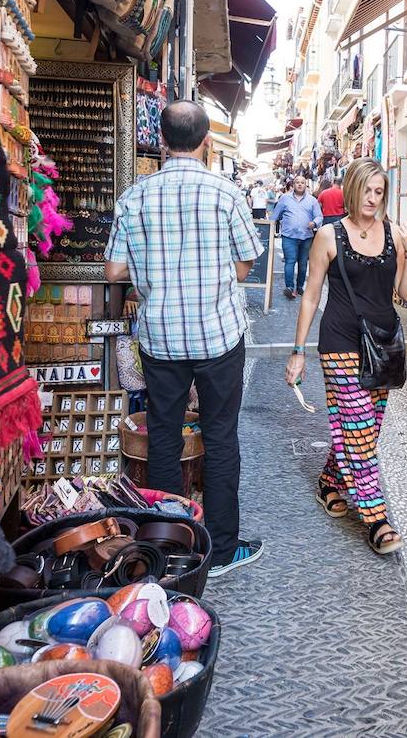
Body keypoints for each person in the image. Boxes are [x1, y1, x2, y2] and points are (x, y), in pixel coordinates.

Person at [105, 100, 265, 576]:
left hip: (160, 339)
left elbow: (113, 271)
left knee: (163, 437)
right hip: (218, 336)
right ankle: (222, 552)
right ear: (206, 142)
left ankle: (169, 548)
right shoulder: (226, 194)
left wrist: (151, 276)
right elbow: (244, 267)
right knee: (220, 437)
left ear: (161, 140)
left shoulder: (134, 196)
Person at [286, 159, 407, 555]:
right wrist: (298, 351)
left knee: (364, 430)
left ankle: (330, 481)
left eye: (380, 192)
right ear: (352, 189)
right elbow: (311, 295)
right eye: (367, 190)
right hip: (340, 342)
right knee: (359, 430)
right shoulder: (330, 235)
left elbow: (406, 294)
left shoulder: (393, 233)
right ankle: (377, 519)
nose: (373, 199)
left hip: (383, 344)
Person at [271, 175, 322, 299]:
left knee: (303, 264)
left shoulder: (312, 200)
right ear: (293, 185)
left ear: (306, 185)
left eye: (302, 182)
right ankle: (289, 287)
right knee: (290, 261)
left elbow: (319, 216)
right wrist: (269, 229)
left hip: (306, 237)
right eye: (297, 182)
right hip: (289, 236)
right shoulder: (285, 198)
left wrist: (314, 223)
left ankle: (299, 287)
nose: (299, 184)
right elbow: (275, 215)